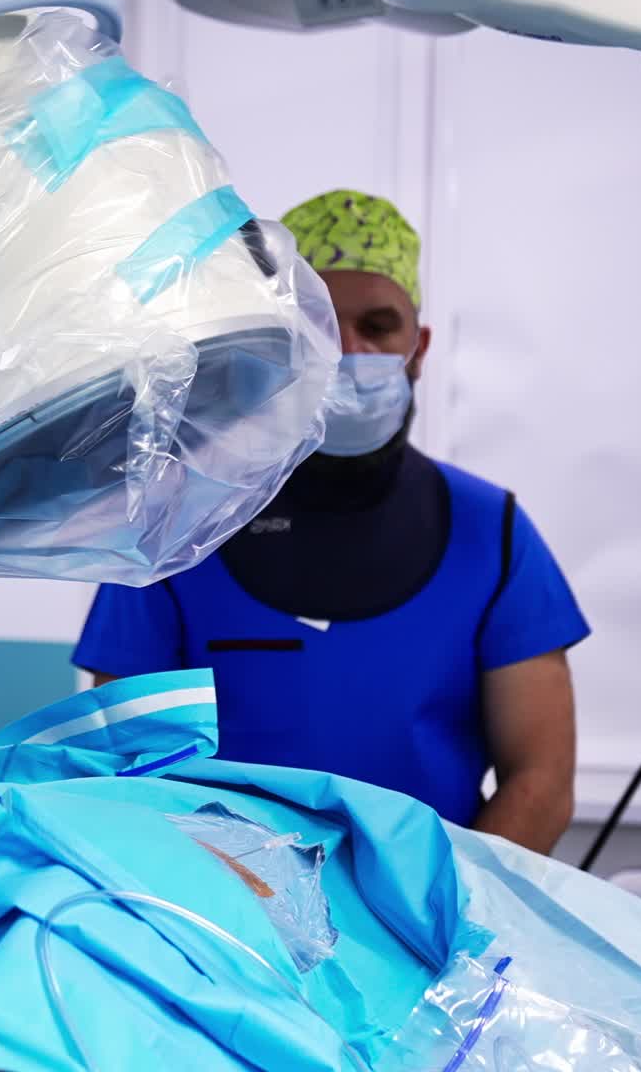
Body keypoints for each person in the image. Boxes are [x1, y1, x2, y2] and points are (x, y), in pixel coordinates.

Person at [73, 190, 589, 855]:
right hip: (227, 924)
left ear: (420, 347)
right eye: (321, 325)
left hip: (431, 924)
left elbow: (541, 783)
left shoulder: (492, 533)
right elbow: (126, 766)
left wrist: (444, 918)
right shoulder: (180, 525)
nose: (349, 350)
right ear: (279, 340)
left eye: (379, 327)